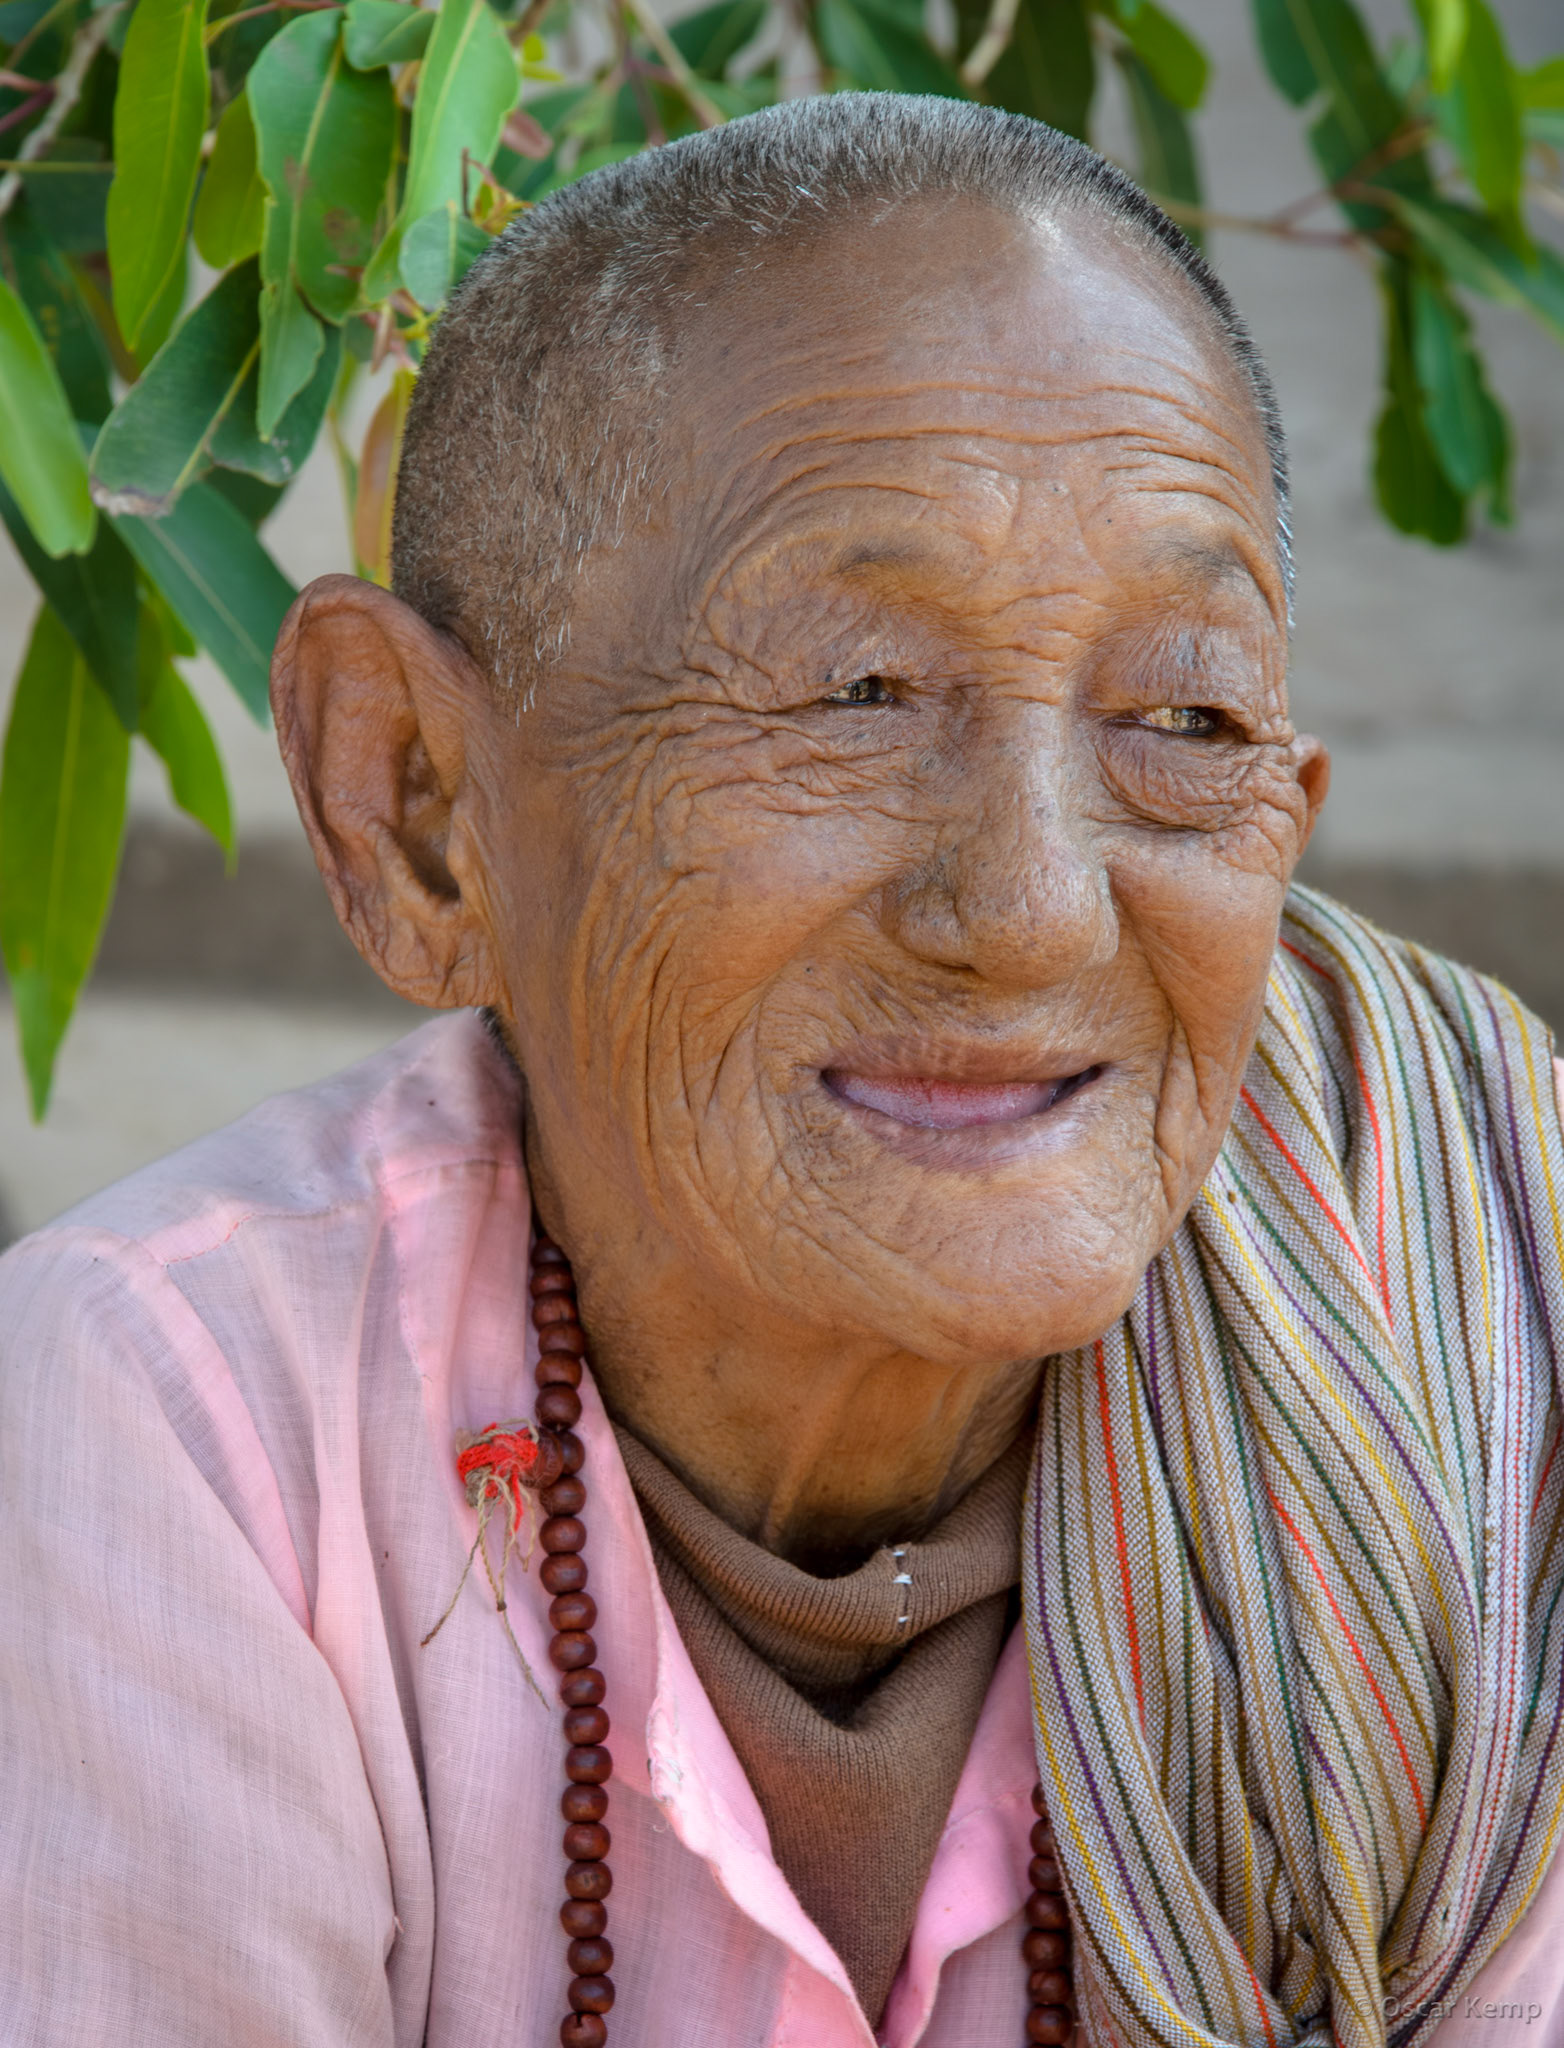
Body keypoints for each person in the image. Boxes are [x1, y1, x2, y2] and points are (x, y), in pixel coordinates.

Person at [3, 93, 1563, 2048]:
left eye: (1182, 714)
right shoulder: (185, 1439)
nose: (1033, 910)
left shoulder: (1461, 1364)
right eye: (855, 692)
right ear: (418, 812)